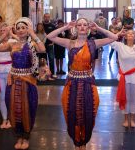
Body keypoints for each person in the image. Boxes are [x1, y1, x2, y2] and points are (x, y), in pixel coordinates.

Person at [46, 18, 116, 150]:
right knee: (71, 111)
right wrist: (65, 27)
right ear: (76, 28)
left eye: (85, 25)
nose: (82, 27)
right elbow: (50, 36)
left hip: (88, 83)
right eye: (79, 25)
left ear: (88, 28)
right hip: (72, 83)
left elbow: (114, 37)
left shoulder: (93, 43)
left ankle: (84, 141)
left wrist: (99, 28)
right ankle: (76, 141)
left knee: (89, 111)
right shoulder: (70, 43)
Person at [0, 17, 45, 150]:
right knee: (14, 109)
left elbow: (42, 49)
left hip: (28, 81)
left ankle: (25, 137)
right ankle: (18, 137)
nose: (21, 30)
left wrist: (33, 34)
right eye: (19, 28)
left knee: (28, 108)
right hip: (14, 81)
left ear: (28, 29)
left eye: (24, 28)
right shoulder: (12, 44)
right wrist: (3, 35)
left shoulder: (32, 44)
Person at [110, 29, 135, 128]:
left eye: (132, 33)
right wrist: (118, 34)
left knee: (133, 98)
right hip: (124, 76)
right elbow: (110, 41)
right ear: (125, 36)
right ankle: (125, 120)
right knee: (125, 98)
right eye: (128, 33)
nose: (131, 35)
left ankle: (132, 119)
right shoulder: (120, 46)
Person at [43, 13, 56, 78]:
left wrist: (53, 42)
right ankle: (45, 73)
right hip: (42, 46)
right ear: (43, 17)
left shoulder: (52, 26)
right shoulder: (41, 25)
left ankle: (52, 73)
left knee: (51, 59)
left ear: (49, 17)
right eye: (45, 17)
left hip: (50, 44)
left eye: (48, 17)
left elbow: (55, 35)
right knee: (44, 60)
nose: (47, 18)